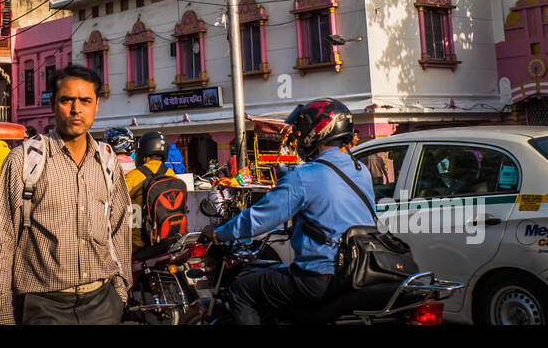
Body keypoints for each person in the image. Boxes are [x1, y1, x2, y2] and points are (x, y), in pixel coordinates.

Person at [201, 98, 376, 325]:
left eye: (301, 132)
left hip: (319, 278)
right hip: (356, 271)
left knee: (241, 290)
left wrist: (219, 232)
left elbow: (259, 218)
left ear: (317, 132)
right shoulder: (360, 170)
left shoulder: (304, 176)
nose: (299, 139)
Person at [0, 65, 130, 325]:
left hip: (103, 302)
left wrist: (120, 290)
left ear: (96, 106)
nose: (76, 109)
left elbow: (119, 229)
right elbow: (1, 239)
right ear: (53, 104)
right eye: (67, 100)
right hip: (44, 306)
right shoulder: (24, 160)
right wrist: (2, 312)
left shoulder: (107, 161)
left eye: (85, 101)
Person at [125, 131, 181, 253]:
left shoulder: (135, 175)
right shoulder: (171, 175)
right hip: (170, 237)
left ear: (143, 153)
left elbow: (117, 200)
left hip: (139, 240)